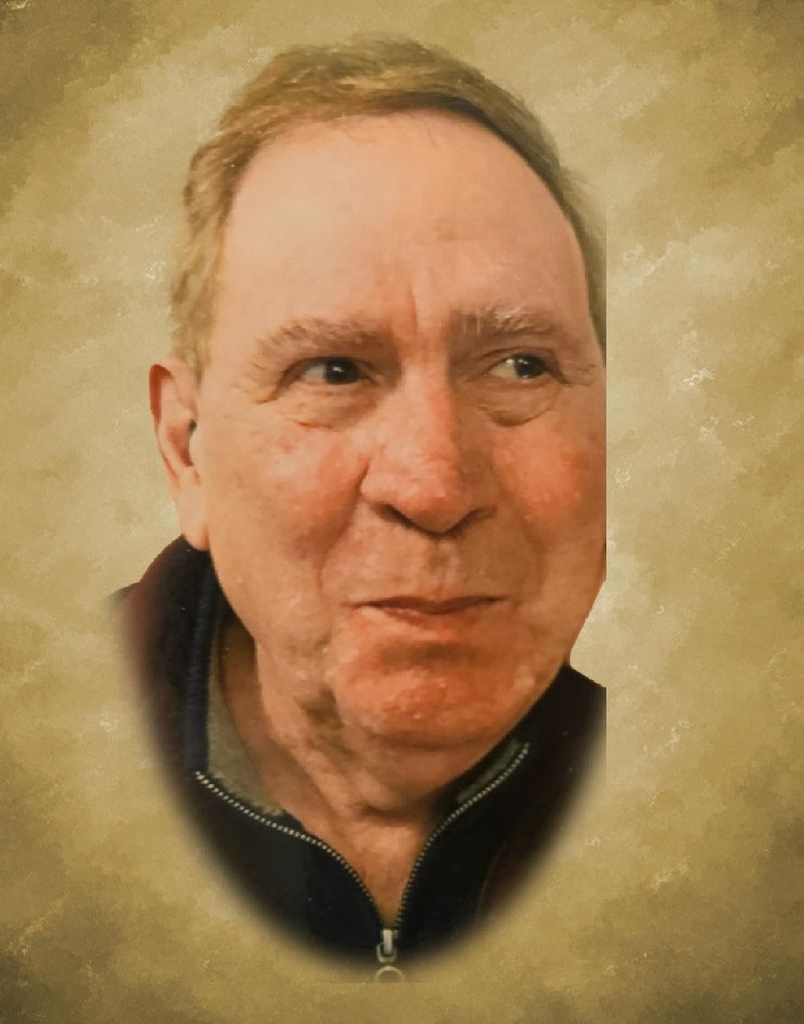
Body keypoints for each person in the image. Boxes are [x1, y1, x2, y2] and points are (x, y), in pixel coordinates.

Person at [118, 37, 606, 977]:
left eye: (520, 366)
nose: (435, 485)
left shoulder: (740, 806)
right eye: (333, 371)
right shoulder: (17, 782)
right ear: (187, 450)